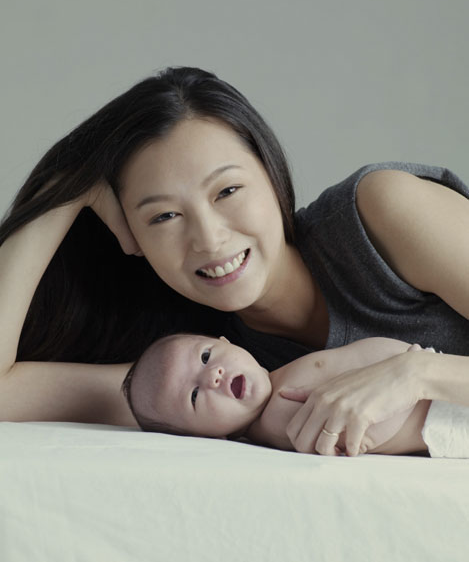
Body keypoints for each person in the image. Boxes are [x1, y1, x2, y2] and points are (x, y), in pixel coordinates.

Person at [1, 66, 469, 456]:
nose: (209, 239)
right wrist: (63, 191)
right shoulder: (202, 372)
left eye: (227, 191)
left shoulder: (381, 214)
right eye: (164, 216)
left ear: (271, 173)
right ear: (131, 237)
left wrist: (415, 375)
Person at [122, 333, 434, 456]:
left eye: (206, 356)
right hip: (437, 411)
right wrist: (408, 375)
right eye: (194, 396)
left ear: (226, 342)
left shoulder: (278, 382)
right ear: (208, 437)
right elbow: (362, 426)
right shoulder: (276, 420)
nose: (212, 376)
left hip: (429, 377)